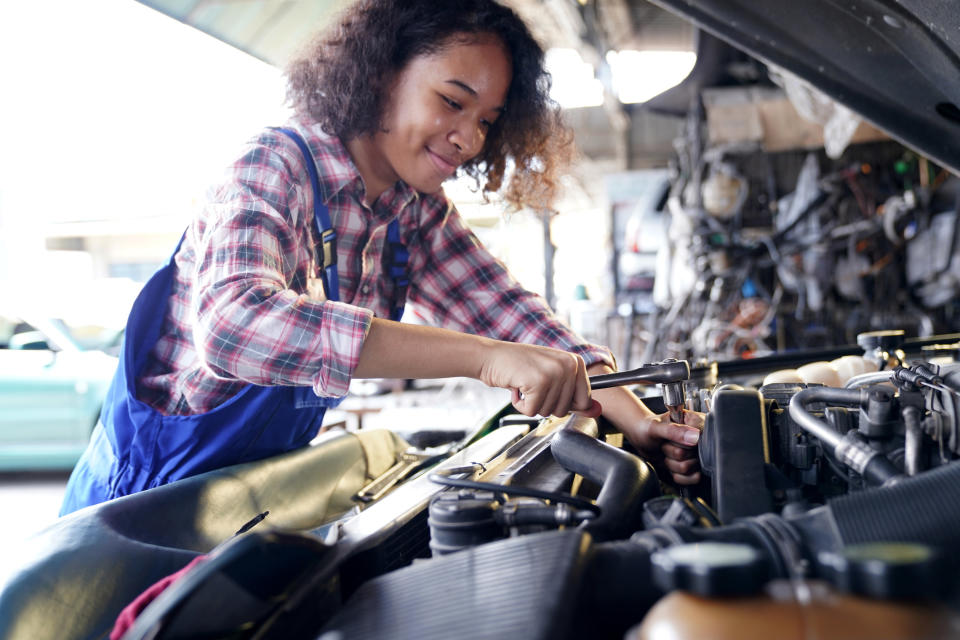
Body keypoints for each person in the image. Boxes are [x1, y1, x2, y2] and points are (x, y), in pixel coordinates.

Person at [60, 0, 702, 515]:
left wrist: (640, 424)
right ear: (379, 73)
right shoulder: (275, 165)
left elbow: (518, 323)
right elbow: (234, 327)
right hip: (138, 501)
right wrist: (483, 360)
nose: (469, 138)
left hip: (247, 497)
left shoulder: (412, 212)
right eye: (452, 102)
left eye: (486, 120)